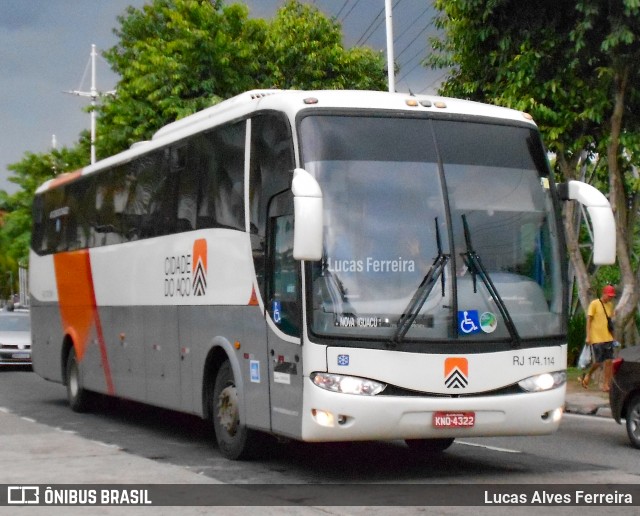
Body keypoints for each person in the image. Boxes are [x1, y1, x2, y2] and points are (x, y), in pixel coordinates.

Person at [581, 284, 617, 391]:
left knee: (609, 361)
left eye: (612, 296)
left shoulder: (610, 305)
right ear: (604, 294)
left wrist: (613, 337)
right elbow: (589, 320)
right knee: (599, 361)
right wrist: (588, 336)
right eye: (609, 295)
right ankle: (588, 374)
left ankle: (606, 384)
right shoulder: (594, 304)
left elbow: (609, 322)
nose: (610, 297)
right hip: (596, 338)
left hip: (608, 337)